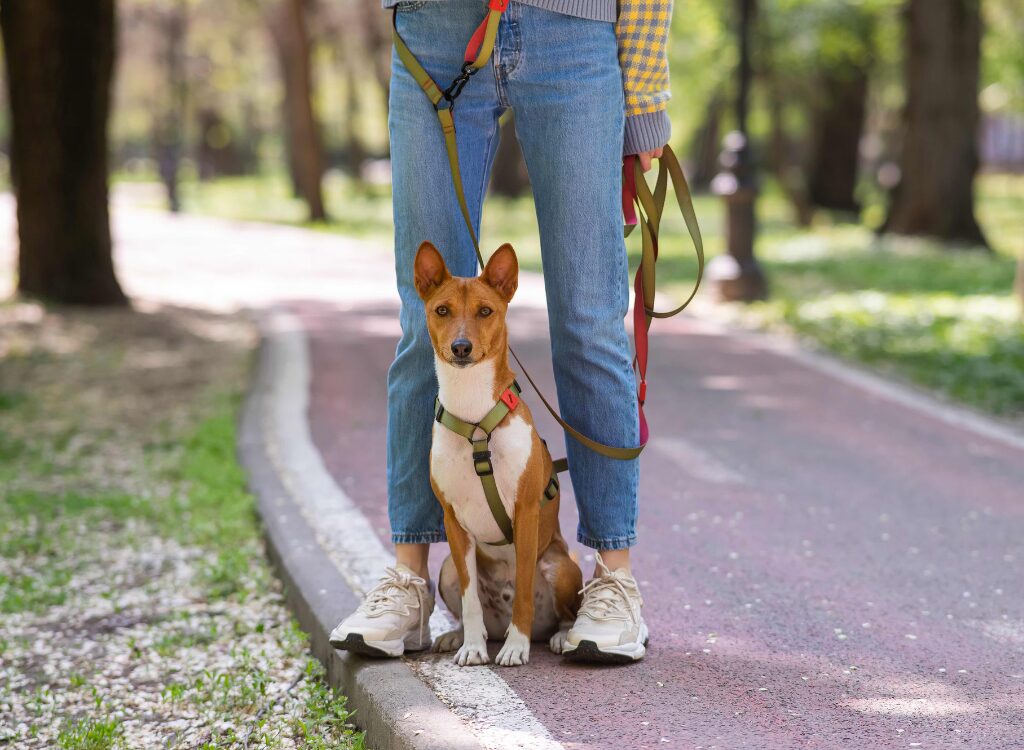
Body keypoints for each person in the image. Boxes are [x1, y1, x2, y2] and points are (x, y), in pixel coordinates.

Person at [331, 0, 672, 663]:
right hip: (435, 28)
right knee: (421, 324)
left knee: (591, 321)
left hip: (574, 26)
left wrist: (645, 92)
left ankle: (613, 581)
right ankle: (409, 579)